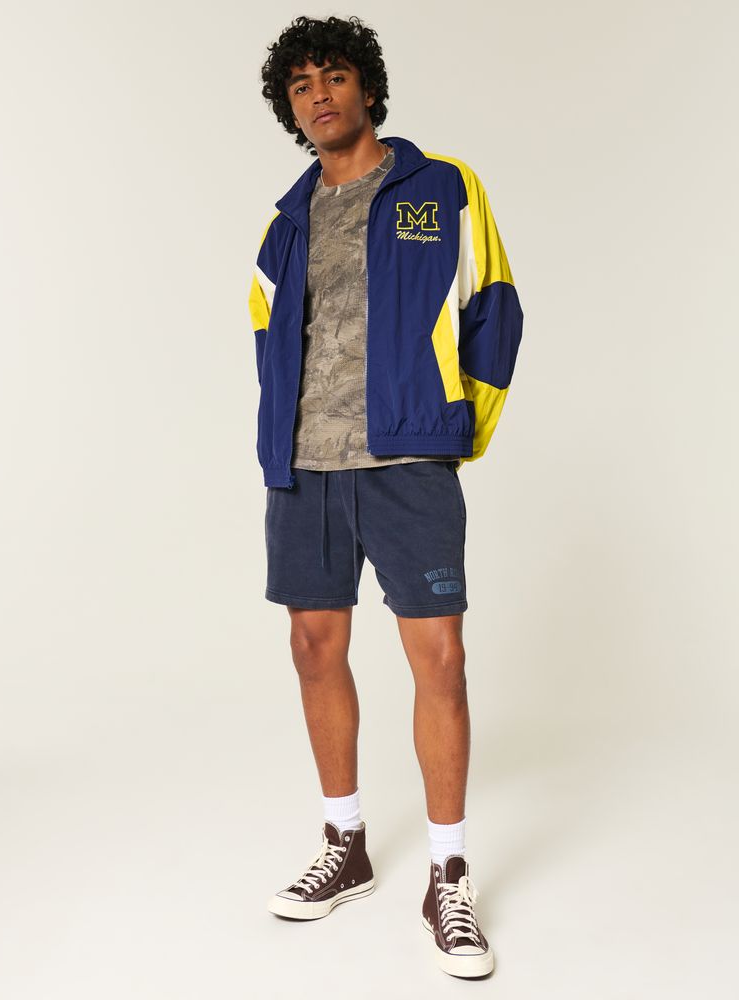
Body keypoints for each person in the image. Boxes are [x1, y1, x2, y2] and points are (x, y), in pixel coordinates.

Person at [247, 14, 523, 979]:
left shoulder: (443, 187)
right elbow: (266, 340)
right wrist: (278, 443)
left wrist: (454, 430)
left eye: (333, 75)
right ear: (290, 108)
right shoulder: (285, 222)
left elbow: (495, 308)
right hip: (306, 468)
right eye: (300, 85)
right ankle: (346, 843)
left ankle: (449, 873)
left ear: (366, 85)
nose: (318, 95)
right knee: (313, 647)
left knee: (438, 658)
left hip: (409, 464)